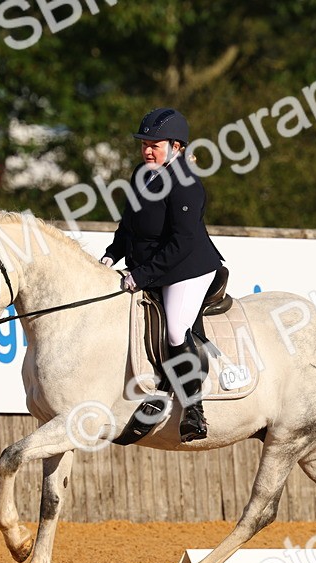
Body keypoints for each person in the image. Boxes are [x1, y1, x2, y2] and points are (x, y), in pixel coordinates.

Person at [100, 107, 224, 442]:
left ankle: (194, 409)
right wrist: (112, 255)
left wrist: (142, 275)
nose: (148, 150)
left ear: (177, 147)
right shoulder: (142, 175)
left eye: (155, 144)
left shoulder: (186, 183)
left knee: (174, 330)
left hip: (187, 269)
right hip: (151, 267)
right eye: (144, 144)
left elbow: (182, 242)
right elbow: (129, 227)